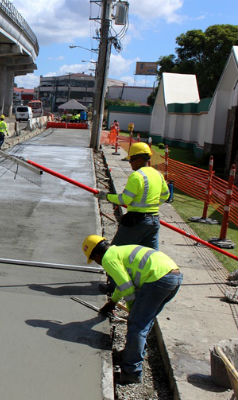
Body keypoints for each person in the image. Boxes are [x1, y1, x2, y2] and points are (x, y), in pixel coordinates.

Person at [81, 235, 182, 384]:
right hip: (173, 275)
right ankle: (133, 353)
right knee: (145, 321)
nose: (97, 263)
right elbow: (122, 283)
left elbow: (127, 287)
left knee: (137, 325)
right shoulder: (118, 252)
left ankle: (131, 372)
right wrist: (113, 302)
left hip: (158, 279)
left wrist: (132, 310)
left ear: (96, 254)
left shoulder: (108, 260)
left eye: (94, 259)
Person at [96, 142, 169, 250]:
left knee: (115, 252)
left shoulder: (137, 176)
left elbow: (124, 199)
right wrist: (151, 205)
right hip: (154, 221)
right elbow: (165, 195)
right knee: (150, 256)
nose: (130, 162)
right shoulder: (157, 174)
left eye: (132, 159)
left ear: (140, 159)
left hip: (137, 221)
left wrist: (106, 196)